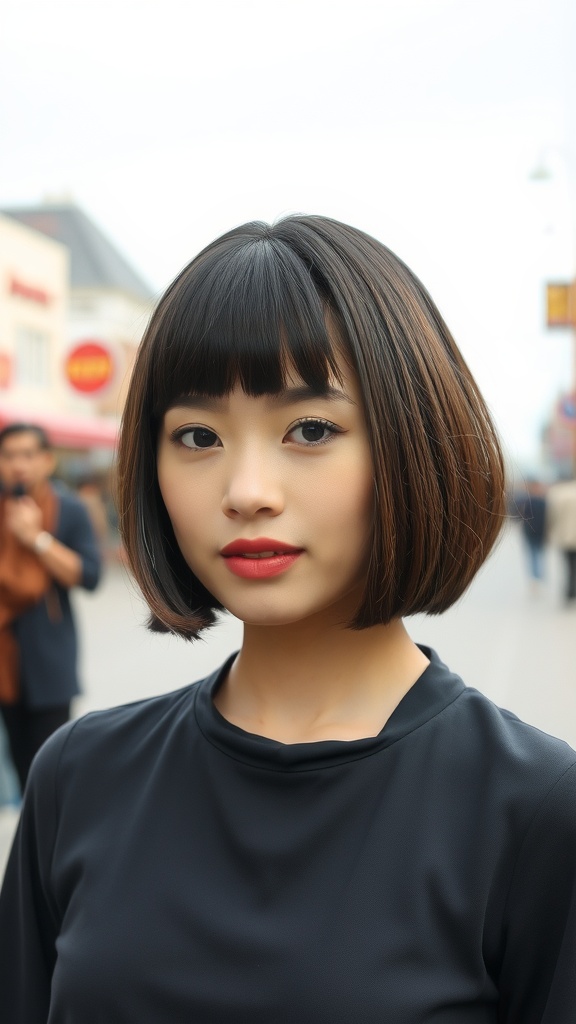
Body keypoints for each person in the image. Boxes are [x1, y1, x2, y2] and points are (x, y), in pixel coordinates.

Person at [0, 217, 575, 1023]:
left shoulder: (536, 809)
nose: (246, 489)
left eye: (310, 430)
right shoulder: (79, 778)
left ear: (412, 443)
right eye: (197, 435)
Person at [0, 423, 101, 793]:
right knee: (21, 766)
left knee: (53, 772)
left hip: (49, 657)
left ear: (46, 460)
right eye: (8, 456)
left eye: (27, 455)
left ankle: (54, 847)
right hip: (5, 660)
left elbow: (90, 576)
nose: (17, 465)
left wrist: (35, 539)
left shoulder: (69, 509)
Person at [546, 475, 576, 603]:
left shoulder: (558, 493)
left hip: (565, 535)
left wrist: (550, 532)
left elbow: (552, 516)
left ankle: (570, 590)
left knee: (568, 564)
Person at [514, 477, 547, 588]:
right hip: (534, 532)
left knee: (535, 554)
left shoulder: (529, 501)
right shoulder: (539, 501)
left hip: (536, 532)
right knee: (536, 554)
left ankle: (536, 577)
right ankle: (537, 577)